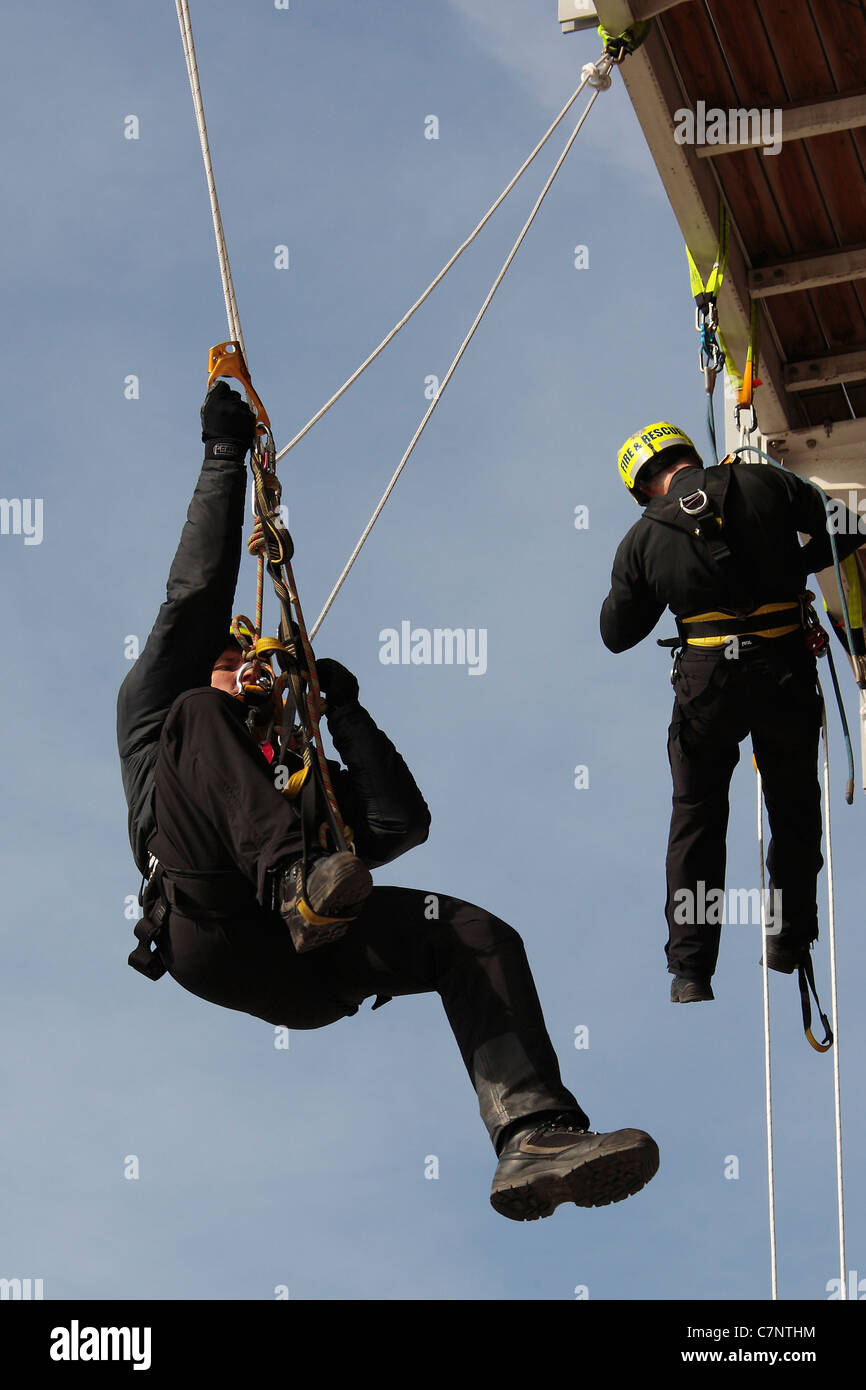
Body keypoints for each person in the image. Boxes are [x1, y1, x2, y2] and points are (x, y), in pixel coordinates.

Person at [116, 381, 659, 1221]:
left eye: (256, 670)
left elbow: (399, 827)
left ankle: (532, 1135)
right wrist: (224, 459)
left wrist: (347, 712)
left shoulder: (282, 770)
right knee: (204, 723)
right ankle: (294, 884)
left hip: (308, 964)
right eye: (233, 663)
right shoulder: (169, 712)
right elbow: (193, 600)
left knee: (472, 933)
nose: (246, 679)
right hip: (211, 922)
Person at [600, 421, 863, 1003]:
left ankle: (691, 971)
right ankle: (787, 940)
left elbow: (616, 634)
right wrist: (791, 568)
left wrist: (660, 576)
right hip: (783, 668)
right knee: (792, 805)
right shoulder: (767, 484)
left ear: (644, 488)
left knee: (696, 818)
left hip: (707, 683)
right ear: (693, 454)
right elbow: (849, 526)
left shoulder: (642, 538)